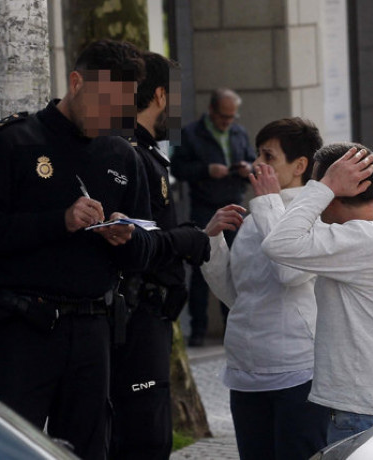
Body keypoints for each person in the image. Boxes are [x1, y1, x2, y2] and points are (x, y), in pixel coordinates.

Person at [0, 39, 154, 460]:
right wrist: (60, 222)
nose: (111, 115)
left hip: (92, 329)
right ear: (77, 82)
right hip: (21, 326)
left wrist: (127, 238)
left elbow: (145, 249)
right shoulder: (15, 140)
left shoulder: (121, 155)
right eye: (104, 101)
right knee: (7, 448)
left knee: (88, 450)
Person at [260, 143, 373, 444]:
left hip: (365, 414)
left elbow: (278, 244)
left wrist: (324, 186)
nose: (314, 193)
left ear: (336, 191)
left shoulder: (369, 239)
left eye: (318, 184)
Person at [201, 117, 328, 460]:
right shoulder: (259, 212)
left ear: (300, 165)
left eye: (268, 157)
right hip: (246, 370)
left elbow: (290, 271)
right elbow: (233, 292)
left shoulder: (314, 213)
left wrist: (270, 203)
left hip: (297, 372)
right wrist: (212, 240)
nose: (258, 164)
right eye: (258, 154)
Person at [109, 51, 211, 460]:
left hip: (150, 313)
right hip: (135, 313)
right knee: (143, 436)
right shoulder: (127, 152)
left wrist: (195, 234)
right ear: (162, 96)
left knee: (150, 430)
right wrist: (183, 241)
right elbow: (132, 243)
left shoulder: (145, 149)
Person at [170, 88, 255, 347]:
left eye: (231, 117)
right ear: (211, 111)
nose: (227, 122)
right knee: (202, 267)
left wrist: (247, 169)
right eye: (223, 117)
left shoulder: (239, 132)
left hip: (234, 204)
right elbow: (177, 168)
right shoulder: (191, 133)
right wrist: (206, 170)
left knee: (236, 266)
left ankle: (232, 325)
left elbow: (253, 160)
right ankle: (198, 329)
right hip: (205, 206)